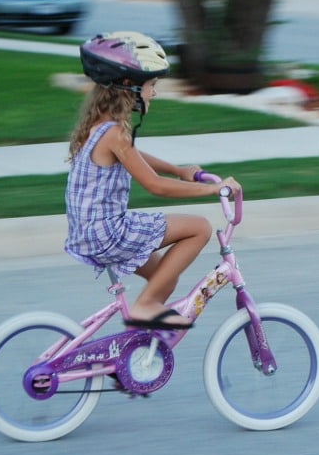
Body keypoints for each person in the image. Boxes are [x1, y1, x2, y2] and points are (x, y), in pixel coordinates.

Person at [65, 31, 241, 331]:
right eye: (151, 86)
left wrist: (178, 169)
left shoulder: (101, 126)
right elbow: (155, 186)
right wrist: (213, 188)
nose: (153, 93)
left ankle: (131, 365)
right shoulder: (115, 133)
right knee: (199, 228)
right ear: (128, 86)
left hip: (89, 232)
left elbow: (134, 155)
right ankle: (145, 307)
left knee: (164, 278)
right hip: (108, 232)